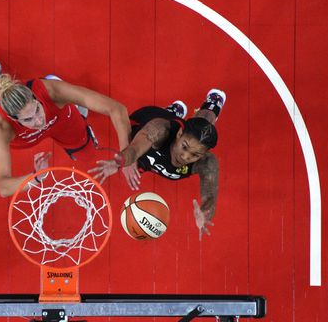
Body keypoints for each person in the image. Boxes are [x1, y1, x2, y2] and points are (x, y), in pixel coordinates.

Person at [0, 47, 133, 198]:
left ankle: (71, 104)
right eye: (28, 119)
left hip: (58, 118)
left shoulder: (50, 91)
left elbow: (117, 109)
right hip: (23, 137)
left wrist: (128, 156)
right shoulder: (1, 127)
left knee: (87, 153)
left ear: (35, 98)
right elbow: (3, 187)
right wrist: (35, 177)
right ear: (14, 119)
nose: (38, 120)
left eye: (36, 110)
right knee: (1, 98)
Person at [90, 89, 226, 239]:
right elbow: (135, 150)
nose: (185, 156)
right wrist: (120, 162)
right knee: (200, 121)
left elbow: (210, 196)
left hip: (157, 157)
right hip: (146, 122)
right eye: (184, 147)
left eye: (195, 155)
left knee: (204, 128)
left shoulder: (207, 162)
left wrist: (205, 212)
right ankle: (199, 107)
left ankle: (191, 109)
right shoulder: (161, 130)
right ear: (179, 134)